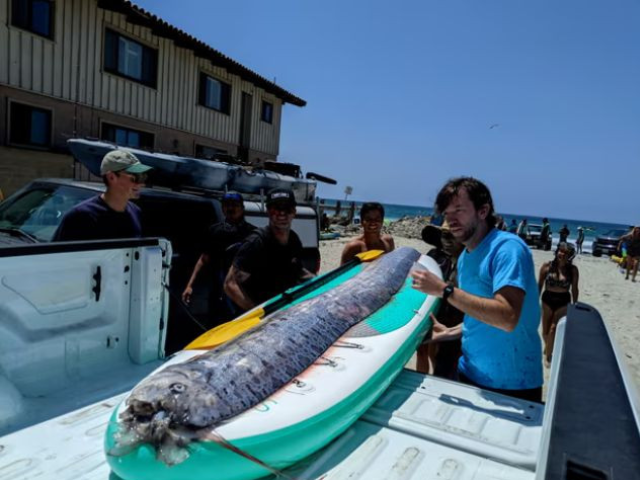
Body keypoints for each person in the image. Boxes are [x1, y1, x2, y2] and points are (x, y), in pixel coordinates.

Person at [411, 177, 543, 402]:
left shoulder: (507, 249)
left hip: (513, 383)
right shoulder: (465, 258)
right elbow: (481, 313)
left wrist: (445, 290)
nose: (451, 219)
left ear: (483, 211)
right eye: (447, 212)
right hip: (469, 372)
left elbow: (507, 317)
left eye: (459, 210)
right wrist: (450, 332)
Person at [224, 188, 314, 310]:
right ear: (268, 211)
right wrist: (257, 312)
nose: (282, 213)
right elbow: (230, 284)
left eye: (287, 208)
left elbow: (298, 271)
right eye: (276, 208)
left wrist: (322, 282)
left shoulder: (294, 240)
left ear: (294, 212)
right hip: (259, 316)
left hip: (282, 309)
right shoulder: (256, 243)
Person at [182, 192, 256, 323]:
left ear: (242, 208)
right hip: (218, 295)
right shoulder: (214, 231)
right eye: (227, 205)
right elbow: (204, 259)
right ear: (222, 208)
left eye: (235, 205)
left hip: (245, 294)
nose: (231, 208)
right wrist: (190, 285)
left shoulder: (253, 233)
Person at [53, 150, 152, 241]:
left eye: (143, 177)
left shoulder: (136, 212)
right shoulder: (80, 217)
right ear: (112, 177)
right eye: (135, 178)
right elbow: (56, 257)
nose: (141, 184)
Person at [416, 221, 464, 378]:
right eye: (445, 235)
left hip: (454, 318)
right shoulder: (433, 256)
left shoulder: (466, 262)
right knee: (422, 350)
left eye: (452, 236)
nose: (448, 241)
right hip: (431, 311)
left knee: (441, 357)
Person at [538, 242, 579, 367]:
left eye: (566, 253)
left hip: (563, 300)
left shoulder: (572, 270)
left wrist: (575, 305)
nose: (562, 254)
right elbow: (539, 285)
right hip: (547, 299)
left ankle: (548, 356)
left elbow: (575, 289)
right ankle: (548, 347)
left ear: (570, 255)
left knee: (553, 329)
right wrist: (534, 301)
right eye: (560, 251)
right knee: (545, 331)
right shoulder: (547, 266)